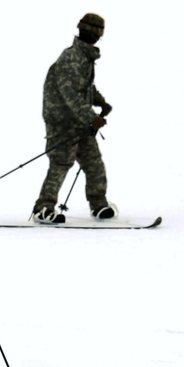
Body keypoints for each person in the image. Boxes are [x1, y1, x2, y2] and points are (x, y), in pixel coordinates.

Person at [31, 12, 116, 224]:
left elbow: (85, 88)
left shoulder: (84, 58)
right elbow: (71, 95)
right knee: (61, 163)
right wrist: (92, 117)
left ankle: (99, 206)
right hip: (62, 123)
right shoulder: (71, 58)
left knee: (94, 163)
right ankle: (43, 209)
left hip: (79, 123)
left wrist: (100, 102)